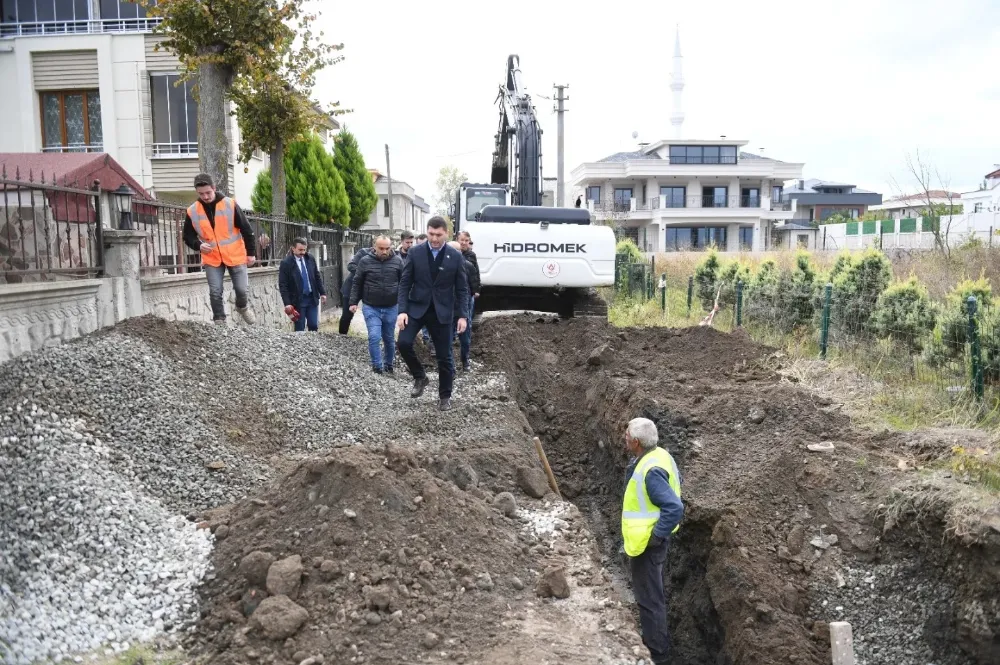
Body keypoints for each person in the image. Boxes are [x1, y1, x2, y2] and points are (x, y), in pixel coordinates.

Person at [621, 417, 684, 665]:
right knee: (650, 594)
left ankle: (657, 653)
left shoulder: (651, 471)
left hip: (648, 545)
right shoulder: (655, 455)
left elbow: (674, 507)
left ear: (636, 442)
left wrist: (657, 537)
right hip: (644, 541)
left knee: (649, 600)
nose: (624, 435)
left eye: (627, 433)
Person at [396, 216, 469, 411]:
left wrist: (462, 315)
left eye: (438, 234)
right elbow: (405, 283)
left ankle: (445, 396)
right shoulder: (415, 252)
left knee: (444, 357)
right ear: (427, 232)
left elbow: (462, 289)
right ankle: (420, 376)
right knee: (403, 343)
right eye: (431, 234)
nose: (434, 238)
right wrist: (402, 311)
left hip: (442, 312)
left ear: (446, 233)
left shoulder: (455, 256)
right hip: (416, 308)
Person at [182, 173, 257, 325]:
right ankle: (220, 322)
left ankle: (242, 307)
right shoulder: (193, 211)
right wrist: (198, 245)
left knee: (242, 290)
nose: (205, 196)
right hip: (212, 257)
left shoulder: (230, 204)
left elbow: (247, 230)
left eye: (208, 192)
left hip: (235, 254)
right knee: (215, 291)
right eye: (201, 194)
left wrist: (251, 254)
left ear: (214, 188)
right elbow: (187, 236)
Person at [349, 236, 403, 374]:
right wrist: (353, 302)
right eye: (381, 248)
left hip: (391, 306)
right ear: (374, 247)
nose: (384, 251)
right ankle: (377, 366)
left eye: (387, 248)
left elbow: (404, 283)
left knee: (389, 338)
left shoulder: (397, 261)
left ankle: (389, 364)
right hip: (371, 306)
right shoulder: (365, 261)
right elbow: (357, 282)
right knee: (374, 336)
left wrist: (404, 305)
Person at [278, 238, 326, 332]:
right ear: (293, 248)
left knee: (313, 325)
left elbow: (317, 277)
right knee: (300, 328)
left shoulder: (310, 259)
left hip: (312, 298)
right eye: (300, 250)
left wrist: (322, 293)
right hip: (298, 301)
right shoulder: (286, 263)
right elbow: (283, 285)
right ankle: (300, 346)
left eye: (304, 249)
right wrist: (287, 303)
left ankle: (313, 345)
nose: (303, 252)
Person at [453, 234, 481, 371]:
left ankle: (465, 360)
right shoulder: (441, 266)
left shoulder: (468, 264)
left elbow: (474, 281)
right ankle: (448, 363)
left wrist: (475, 291)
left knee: (465, 332)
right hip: (447, 306)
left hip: (463, 303)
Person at [338, 244, 373, 335]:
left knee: (373, 314)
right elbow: (351, 266)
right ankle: (342, 336)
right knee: (347, 315)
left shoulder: (385, 257)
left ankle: (374, 338)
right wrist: (365, 273)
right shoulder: (363, 252)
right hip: (352, 287)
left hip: (370, 289)